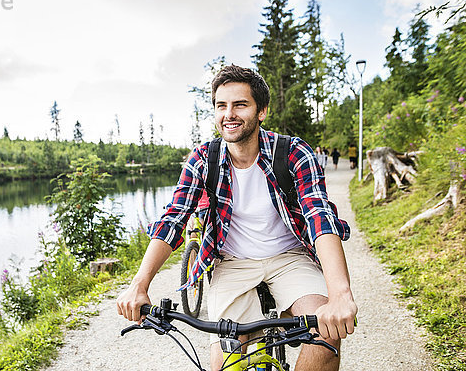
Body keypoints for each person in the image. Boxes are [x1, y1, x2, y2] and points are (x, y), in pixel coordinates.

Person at [116, 65, 357, 371]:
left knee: (324, 334)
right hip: (232, 263)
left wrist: (340, 295)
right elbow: (174, 218)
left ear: (262, 111)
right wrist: (139, 283)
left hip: (290, 257)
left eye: (240, 104)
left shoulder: (293, 153)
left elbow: (319, 217)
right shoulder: (204, 159)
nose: (229, 114)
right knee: (227, 355)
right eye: (221, 106)